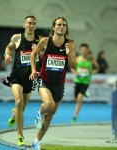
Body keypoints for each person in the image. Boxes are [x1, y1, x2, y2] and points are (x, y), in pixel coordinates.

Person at [29, 17, 77, 150]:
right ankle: (40, 112)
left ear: (66, 28)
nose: (61, 27)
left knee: (49, 116)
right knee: (48, 105)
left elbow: (74, 65)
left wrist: (69, 55)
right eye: (59, 25)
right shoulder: (45, 41)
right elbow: (33, 55)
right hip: (44, 81)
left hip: (59, 85)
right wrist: (34, 70)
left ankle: (36, 142)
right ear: (54, 27)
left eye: (64, 25)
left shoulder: (70, 44)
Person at [3, 15, 41, 147]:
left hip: (30, 79)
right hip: (17, 77)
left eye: (33, 23)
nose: (31, 25)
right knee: (18, 102)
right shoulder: (17, 38)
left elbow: (44, 55)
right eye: (29, 23)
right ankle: (20, 136)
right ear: (24, 24)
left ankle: (15, 114)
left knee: (21, 108)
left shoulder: (39, 40)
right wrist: (7, 55)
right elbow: (9, 48)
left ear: (35, 26)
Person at [71, 43, 99, 124]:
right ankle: (85, 93)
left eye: (85, 50)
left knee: (79, 99)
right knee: (77, 99)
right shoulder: (77, 59)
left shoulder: (91, 59)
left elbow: (97, 67)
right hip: (78, 81)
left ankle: (74, 117)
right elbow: (72, 67)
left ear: (87, 50)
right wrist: (75, 72)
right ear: (80, 50)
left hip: (86, 82)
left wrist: (95, 71)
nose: (84, 51)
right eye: (82, 50)